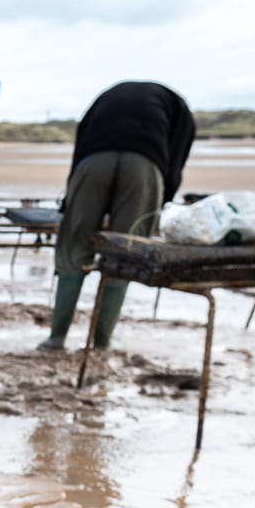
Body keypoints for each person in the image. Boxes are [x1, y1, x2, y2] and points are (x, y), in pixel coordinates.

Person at [39, 81, 196, 351]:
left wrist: (72, 198)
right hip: (144, 166)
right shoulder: (180, 110)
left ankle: (56, 337)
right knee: (126, 249)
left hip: (92, 163)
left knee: (73, 247)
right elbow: (175, 160)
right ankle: (102, 340)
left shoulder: (105, 98)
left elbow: (81, 141)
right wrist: (161, 200)